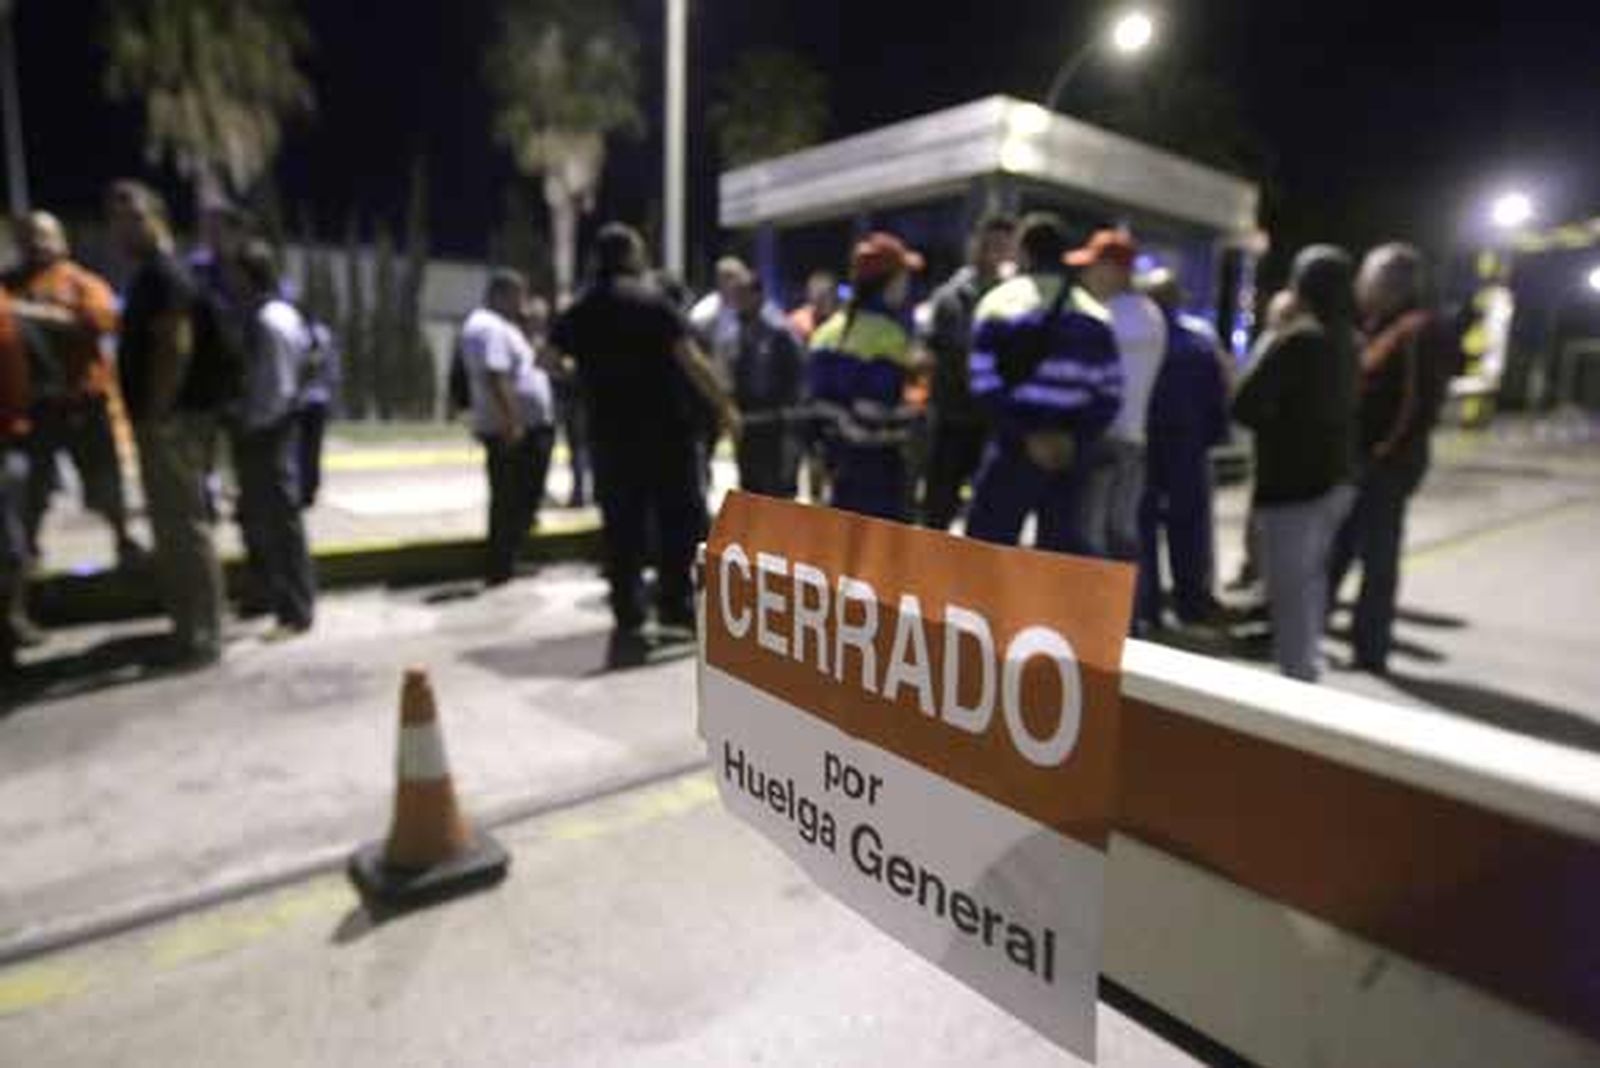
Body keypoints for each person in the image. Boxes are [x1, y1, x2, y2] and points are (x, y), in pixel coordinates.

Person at [549, 223, 737, 633]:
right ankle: (675, 602)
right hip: (665, 430)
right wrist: (723, 404)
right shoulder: (651, 301)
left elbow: (545, 357)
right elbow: (689, 358)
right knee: (678, 518)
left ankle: (627, 609)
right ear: (631, 255)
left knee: (621, 523)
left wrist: (583, 376)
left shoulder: (581, 308)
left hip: (609, 434)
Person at [108, 180, 226, 668]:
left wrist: (157, 412)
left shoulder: (164, 275)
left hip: (173, 421)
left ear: (158, 219)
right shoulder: (149, 276)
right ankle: (189, 628)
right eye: (116, 217)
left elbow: (174, 346)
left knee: (183, 528)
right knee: (174, 526)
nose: (123, 226)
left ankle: (200, 637)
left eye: (134, 216)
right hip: (167, 418)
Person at [1231, 246, 1360, 682]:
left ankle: (1296, 682)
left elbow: (1244, 405)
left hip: (1293, 485)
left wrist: (1273, 335)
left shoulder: (1298, 339)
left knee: (1288, 587)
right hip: (1337, 479)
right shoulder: (1349, 339)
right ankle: (1308, 659)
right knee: (1311, 579)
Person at [1328, 244, 1457, 674]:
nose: (1360, 285)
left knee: (1376, 556)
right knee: (1342, 545)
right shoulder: (1383, 327)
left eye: (1368, 276)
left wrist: (1384, 453)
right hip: (1366, 461)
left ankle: (1370, 649)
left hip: (1384, 465)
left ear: (1391, 283)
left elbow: (1418, 403)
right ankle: (1313, 625)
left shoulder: (1417, 329)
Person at [964, 213, 1123, 553]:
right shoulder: (1095, 315)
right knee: (1057, 560)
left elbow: (982, 382)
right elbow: (1110, 393)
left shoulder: (997, 304)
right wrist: (1072, 438)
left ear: (1023, 253)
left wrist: (1025, 434)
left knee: (985, 553)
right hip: (1069, 456)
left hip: (1011, 451)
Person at [3, 212, 145, 568]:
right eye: (29, 236)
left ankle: (123, 537)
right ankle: (28, 549)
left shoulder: (80, 281)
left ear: (61, 239)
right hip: (35, 406)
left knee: (102, 477)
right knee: (33, 486)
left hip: (83, 400)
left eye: (44, 235)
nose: (37, 243)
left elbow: (101, 321)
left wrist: (35, 315)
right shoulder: (9, 285)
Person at [227, 241, 316, 636]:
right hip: (269, 427)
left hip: (267, 431)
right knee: (261, 517)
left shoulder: (269, 319)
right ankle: (266, 595)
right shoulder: (279, 314)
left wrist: (249, 422)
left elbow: (276, 387)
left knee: (280, 522)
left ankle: (294, 611)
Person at [807, 231, 924, 521]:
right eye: (904, 276)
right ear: (891, 281)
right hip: (879, 470)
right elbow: (884, 412)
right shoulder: (890, 335)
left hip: (837, 467)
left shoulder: (825, 332)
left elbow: (815, 410)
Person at [1137, 270, 1231, 630]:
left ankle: (1147, 609)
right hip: (1189, 448)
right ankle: (1190, 603)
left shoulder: (1139, 339)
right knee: (1189, 530)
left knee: (1143, 527)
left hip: (1147, 446)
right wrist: (1213, 439)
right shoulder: (1200, 342)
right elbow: (1217, 398)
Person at [1070, 229, 1167, 560]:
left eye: (1093, 265)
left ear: (1114, 270)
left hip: (1103, 438)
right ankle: (1128, 610)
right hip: (1134, 439)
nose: (1084, 274)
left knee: (1091, 539)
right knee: (1123, 535)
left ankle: (1095, 611)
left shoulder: (1105, 315)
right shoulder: (1151, 313)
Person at [920, 213, 1017, 531]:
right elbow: (938, 352)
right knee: (939, 507)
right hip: (952, 419)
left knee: (988, 513)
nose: (995, 251)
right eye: (989, 243)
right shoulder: (952, 296)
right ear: (975, 245)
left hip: (991, 422)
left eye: (1003, 245)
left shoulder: (1014, 296)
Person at [460, 270, 556, 588]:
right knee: (508, 498)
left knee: (519, 497)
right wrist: (512, 422)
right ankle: (500, 564)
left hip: (525, 426)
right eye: (520, 296)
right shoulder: (488, 327)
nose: (523, 303)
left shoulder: (503, 327)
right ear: (502, 294)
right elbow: (495, 375)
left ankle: (509, 557)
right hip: (513, 429)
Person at [1227, 287, 1306, 596]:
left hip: (1280, 454)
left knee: (1268, 524)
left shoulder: (1288, 346)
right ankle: (1254, 574)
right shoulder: (1271, 341)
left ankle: (1264, 586)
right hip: (1264, 448)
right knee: (1257, 518)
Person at [730, 275, 805, 498]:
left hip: (775, 422)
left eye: (743, 295)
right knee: (750, 486)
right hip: (748, 421)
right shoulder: (741, 326)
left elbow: (796, 375)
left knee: (775, 488)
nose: (737, 302)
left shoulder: (778, 330)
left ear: (757, 296)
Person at [0, 287, 41, 666]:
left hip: (9, 438)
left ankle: (11, 624)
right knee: (11, 545)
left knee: (11, 545)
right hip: (12, 437)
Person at [292, 314, 338, 509]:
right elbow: (332, 369)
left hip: (304, 399)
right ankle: (310, 488)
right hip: (319, 398)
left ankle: (303, 487)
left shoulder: (298, 334)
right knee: (313, 448)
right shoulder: (324, 334)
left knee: (300, 447)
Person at [788, 270, 840, 345]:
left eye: (836, 294)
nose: (836, 301)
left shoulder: (830, 317)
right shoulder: (802, 324)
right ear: (818, 298)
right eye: (831, 296)